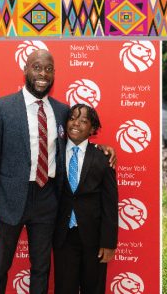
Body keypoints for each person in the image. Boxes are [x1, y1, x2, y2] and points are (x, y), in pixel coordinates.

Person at [0, 50, 116, 294]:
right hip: (9, 200)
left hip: (47, 199)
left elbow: (77, 138)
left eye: (49, 69)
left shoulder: (62, 111)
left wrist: (100, 148)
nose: (43, 74)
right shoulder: (2, 107)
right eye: (37, 67)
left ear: (54, 74)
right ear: (26, 70)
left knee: (41, 268)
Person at [53, 104, 118, 294]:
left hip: (94, 239)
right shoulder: (54, 154)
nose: (76, 123)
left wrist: (109, 242)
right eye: (72, 118)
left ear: (92, 129)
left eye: (83, 121)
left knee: (94, 288)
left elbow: (110, 204)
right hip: (63, 237)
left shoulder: (102, 158)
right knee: (64, 288)